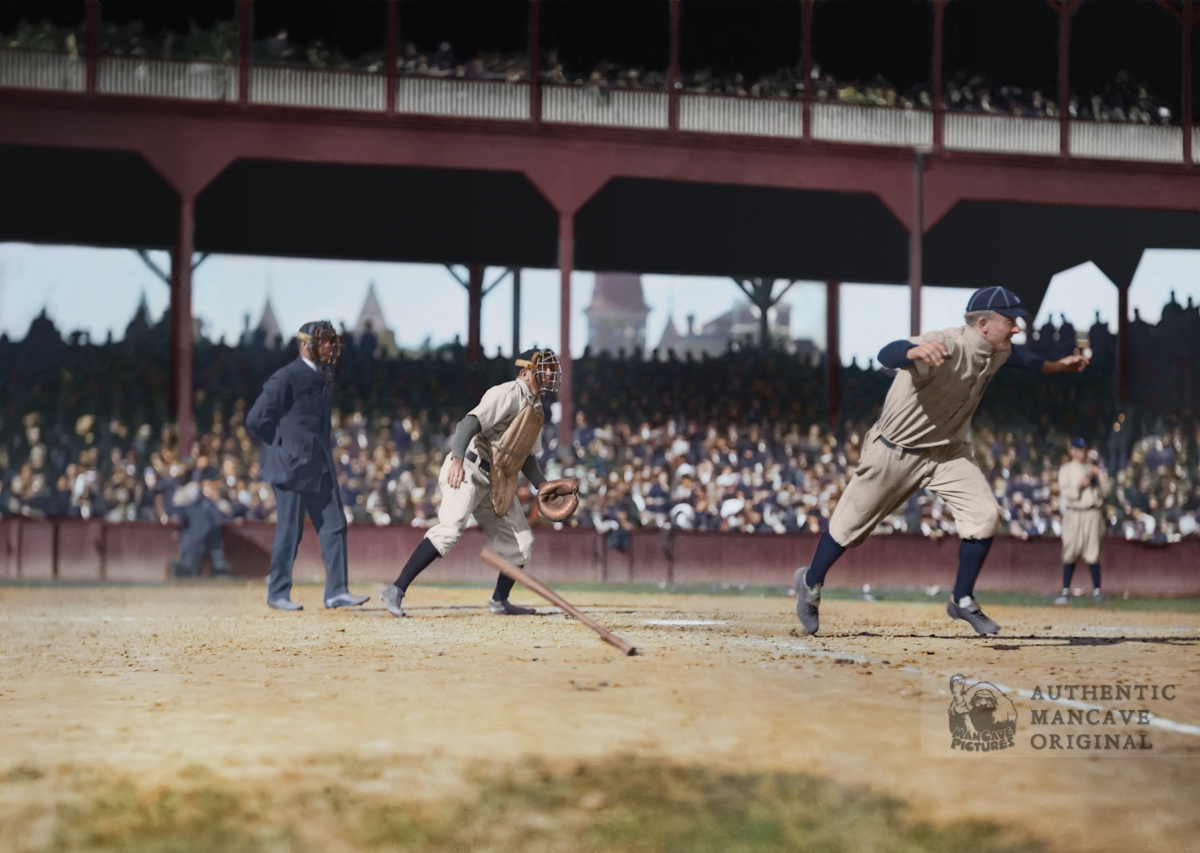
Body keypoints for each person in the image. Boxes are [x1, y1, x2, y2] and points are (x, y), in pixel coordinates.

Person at [793, 287, 1089, 637]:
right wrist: (913, 350)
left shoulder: (996, 348)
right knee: (847, 527)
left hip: (948, 453)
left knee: (986, 517)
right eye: (1010, 322)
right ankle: (810, 584)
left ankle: (961, 599)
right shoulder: (945, 344)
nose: (1016, 328)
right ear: (983, 324)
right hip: (896, 450)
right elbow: (887, 354)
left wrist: (1057, 366)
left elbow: (1019, 358)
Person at [381, 349, 568, 617]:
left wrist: (542, 485)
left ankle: (499, 601)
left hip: (498, 478)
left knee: (521, 542)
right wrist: (456, 460)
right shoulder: (506, 394)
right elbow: (467, 424)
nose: (549, 373)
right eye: (544, 367)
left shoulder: (536, 408)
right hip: (468, 467)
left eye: (551, 368)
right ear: (524, 373)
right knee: (451, 529)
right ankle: (396, 590)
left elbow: (525, 456)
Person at [245, 321, 370, 611]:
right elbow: (255, 419)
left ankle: (337, 591)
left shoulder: (324, 374)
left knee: (335, 525)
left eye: (330, 341)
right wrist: (280, 443)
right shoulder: (286, 376)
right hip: (291, 466)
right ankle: (278, 593)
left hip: (319, 464)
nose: (328, 346)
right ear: (303, 344)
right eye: (322, 341)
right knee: (290, 531)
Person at [1055, 437, 1110, 605]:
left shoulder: (1093, 468)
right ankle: (1065, 591)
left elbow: (1106, 492)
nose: (1080, 452)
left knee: (1093, 552)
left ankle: (1097, 591)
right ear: (1072, 451)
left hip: (1092, 512)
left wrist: (1100, 476)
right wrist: (1080, 485)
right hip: (1073, 513)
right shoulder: (1066, 469)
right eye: (1077, 449)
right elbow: (1066, 492)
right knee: (1070, 550)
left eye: (1082, 449)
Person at [166, 480, 230, 578]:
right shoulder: (207, 504)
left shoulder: (188, 508)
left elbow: (176, 518)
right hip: (202, 542)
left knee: (189, 570)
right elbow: (219, 520)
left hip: (194, 543)